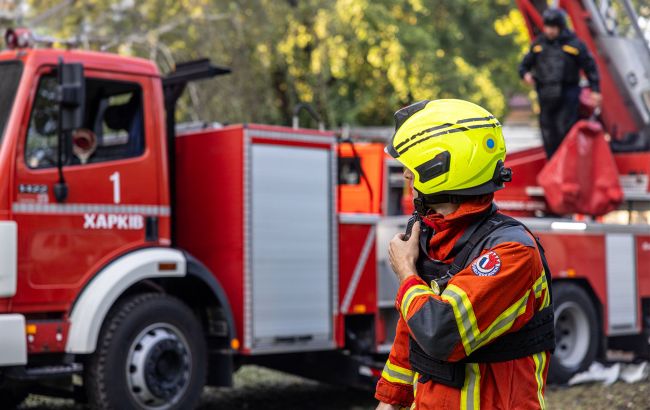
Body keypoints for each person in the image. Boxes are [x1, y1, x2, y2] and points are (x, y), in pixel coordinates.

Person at [375, 99, 555, 409]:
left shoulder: (512, 252)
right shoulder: (432, 234)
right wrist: (389, 401)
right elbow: (412, 331)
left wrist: (406, 273)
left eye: (413, 166)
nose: (406, 175)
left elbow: (440, 333)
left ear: (442, 169)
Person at [519, 7, 601, 158]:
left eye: (553, 27)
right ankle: (553, 166)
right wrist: (525, 74)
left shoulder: (574, 44)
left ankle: (568, 164)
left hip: (567, 95)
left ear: (560, 27)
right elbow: (524, 65)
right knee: (548, 135)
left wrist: (595, 90)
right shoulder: (538, 44)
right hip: (545, 95)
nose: (550, 31)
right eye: (547, 27)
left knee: (565, 131)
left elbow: (590, 67)